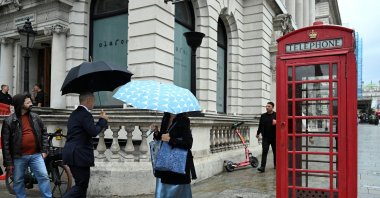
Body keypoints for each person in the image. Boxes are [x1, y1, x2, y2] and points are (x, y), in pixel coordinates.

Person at [1, 93, 52, 197]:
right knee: (18, 180)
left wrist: (44, 150)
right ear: (20, 104)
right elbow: (5, 144)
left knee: (44, 176)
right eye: (28, 102)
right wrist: (8, 163)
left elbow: (44, 133)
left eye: (30, 101)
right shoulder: (9, 121)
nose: (31, 103)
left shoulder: (36, 117)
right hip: (19, 157)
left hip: (36, 155)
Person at [62, 92, 108, 198]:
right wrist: (102, 120)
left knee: (82, 187)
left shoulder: (75, 113)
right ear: (88, 100)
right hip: (79, 155)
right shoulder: (85, 114)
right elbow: (93, 131)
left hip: (71, 153)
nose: (94, 104)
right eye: (93, 101)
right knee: (81, 186)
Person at [152, 112, 196, 198]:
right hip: (165, 161)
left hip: (178, 164)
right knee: (163, 191)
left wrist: (171, 140)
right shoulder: (166, 118)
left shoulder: (184, 120)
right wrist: (157, 132)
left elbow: (188, 143)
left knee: (177, 192)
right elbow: (163, 137)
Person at [256, 101, 276, 173]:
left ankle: (276, 165)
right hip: (266, 137)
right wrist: (258, 133)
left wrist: (277, 122)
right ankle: (262, 167)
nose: (267, 107)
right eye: (266, 106)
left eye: (269, 106)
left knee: (275, 152)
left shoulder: (276, 115)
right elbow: (260, 125)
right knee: (264, 152)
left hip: (275, 137)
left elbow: (282, 123)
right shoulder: (263, 116)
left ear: (272, 107)